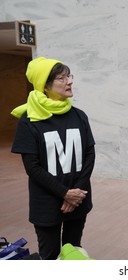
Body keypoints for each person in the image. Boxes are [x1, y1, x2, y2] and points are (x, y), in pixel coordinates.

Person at [11, 57, 95, 260]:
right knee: (49, 256)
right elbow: (32, 166)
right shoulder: (29, 121)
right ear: (45, 86)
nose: (69, 81)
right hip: (47, 203)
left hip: (78, 198)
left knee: (73, 251)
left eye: (69, 76)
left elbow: (89, 154)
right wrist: (65, 193)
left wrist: (77, 194)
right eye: (62, 78)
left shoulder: (79, 115)